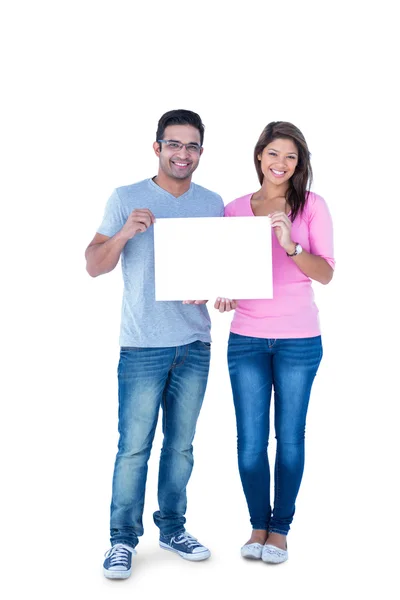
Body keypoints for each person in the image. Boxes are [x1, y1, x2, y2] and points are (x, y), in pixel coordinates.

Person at [85, 109, 224, 579]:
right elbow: (94, 265)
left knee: (181, 446)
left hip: (195, 343)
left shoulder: (211, 202)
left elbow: (220, 270)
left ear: (200, 152)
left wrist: (215, 287)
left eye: (192, 146)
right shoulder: (127, 198)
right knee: (134, 448)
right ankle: (122, 540)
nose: (183, 154)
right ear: (157, 147)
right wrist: (126, 231)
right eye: (174, 144)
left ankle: (172, 527)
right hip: (142, 345)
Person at [215, 121, 334, 564]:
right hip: (246, 338)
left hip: (299, 340)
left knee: (289, 439)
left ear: (299, 162)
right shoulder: (233, 209)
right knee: (249, 442)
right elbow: (223, 269)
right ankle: (256, 526)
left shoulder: (312, 207)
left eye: (290, 156)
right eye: (273, 154)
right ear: (259, 156)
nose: (281, 164)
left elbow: (326, 273)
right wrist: (222, 289)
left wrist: (290, 244)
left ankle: (280, 530)